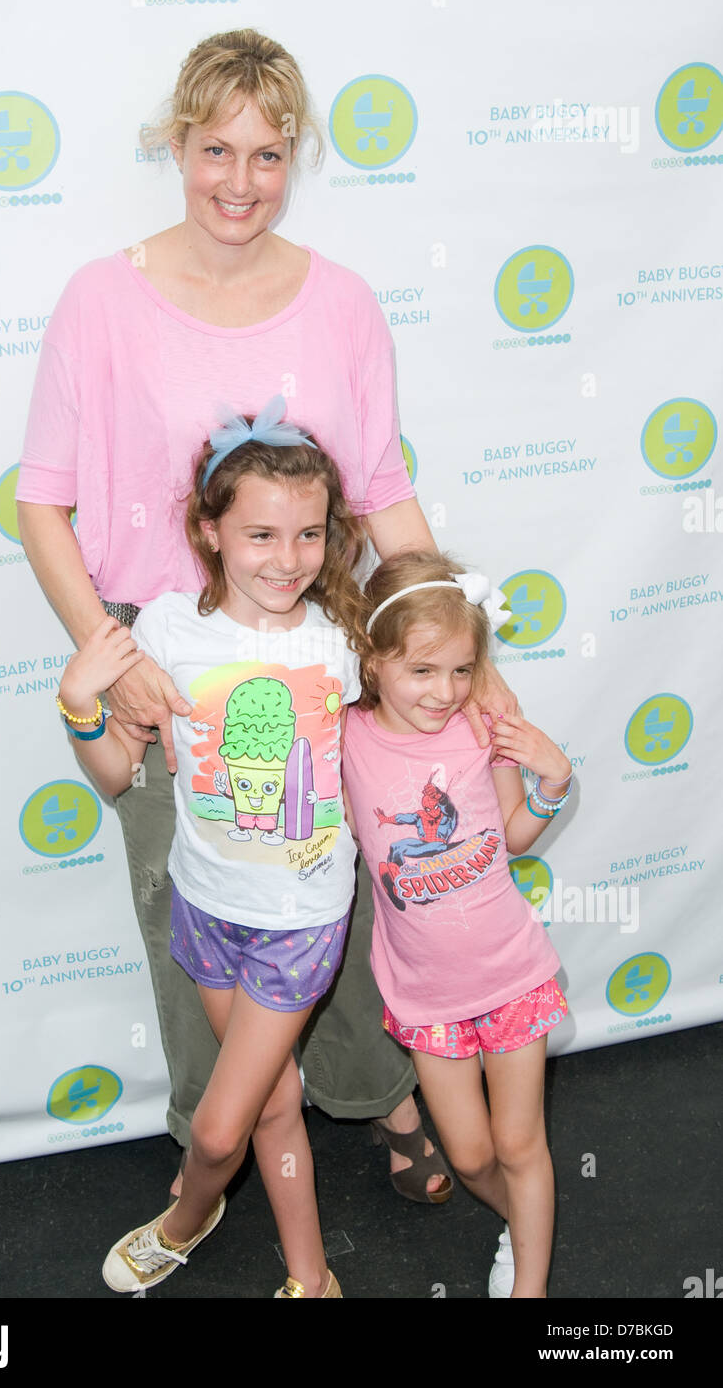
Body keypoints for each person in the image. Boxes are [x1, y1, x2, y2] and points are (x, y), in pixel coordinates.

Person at [16, 28, 510, 1206]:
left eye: (268, 153)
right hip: (163, 654)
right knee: (187, 901)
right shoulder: (100, 299)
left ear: (295, 158)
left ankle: (374, 1089)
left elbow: (380, 489)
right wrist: (117, 656)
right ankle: (221, 1135)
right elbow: (44, 503)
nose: (239, 181)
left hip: (318, 639)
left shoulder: (340, 301)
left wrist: (459, 655)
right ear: (174, 145)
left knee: (325, 875)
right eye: (214, 149)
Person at [56, 408, 365, 1296]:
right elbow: (119, 774)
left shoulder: (342, 640)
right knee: (269, 1101)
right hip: (204, 905)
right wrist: (80, 709)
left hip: (299, 921)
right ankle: (312, 1276)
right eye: (261, 533)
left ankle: (188, 1212)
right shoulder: (162, 630)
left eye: (309, 533)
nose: (288, 557)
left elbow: (399, 748)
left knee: (221, 1130)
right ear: (208, 530)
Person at [342, 550, 573, 1298]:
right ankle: (526, 1220)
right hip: (423, 995)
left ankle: (530, 1285)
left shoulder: (481, 725)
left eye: (463, 670)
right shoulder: (345, 739)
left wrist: (552, 785)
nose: (446, 692)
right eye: (423, 671)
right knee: (472, 1157)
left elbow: (511, 835)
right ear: (373, 662)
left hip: (513, 976)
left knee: (518, 1141)